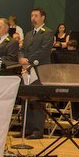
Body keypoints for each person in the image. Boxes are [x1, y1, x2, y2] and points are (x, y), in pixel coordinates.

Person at [18, 8, 54, 139]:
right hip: (26, 69)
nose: (33, 18)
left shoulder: (48, 32)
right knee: (25, 98)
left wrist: (29, 60)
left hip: (39, 69)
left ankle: (37, 130)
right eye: (32, 15)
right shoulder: (28, 34)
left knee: (36, 100)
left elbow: (44, 51)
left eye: (36, 15)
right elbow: (22, 49)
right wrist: (21, 59)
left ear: (43, 18)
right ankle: (26, 129)